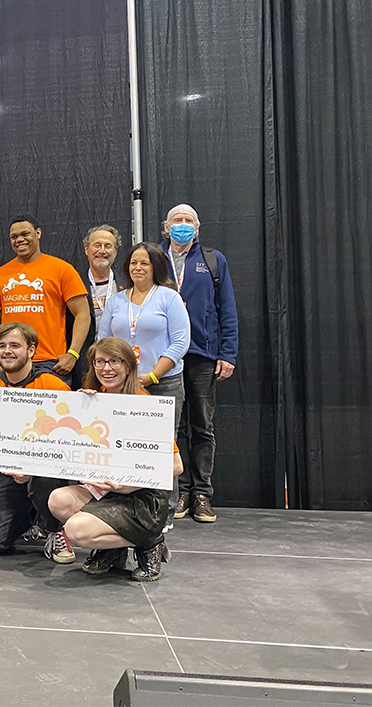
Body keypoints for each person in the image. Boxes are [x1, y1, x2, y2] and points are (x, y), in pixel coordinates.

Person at [47, 337, 182, 581]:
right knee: (58, 500)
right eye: (99, 362)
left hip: (141, 497)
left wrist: (130, 483)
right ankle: (113, 550)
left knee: (75, 530)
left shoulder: (147, 406)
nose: (106, 368)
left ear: (129, 365)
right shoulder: (93, 400)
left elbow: (176, 465)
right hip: (106, 491)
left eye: (114, 361)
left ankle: (151, 541)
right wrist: (80, 408)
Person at [0, 322, 75, 562]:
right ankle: (28, 517)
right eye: (2, 346)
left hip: (47, 471)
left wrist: (34, 469)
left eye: (15, 345)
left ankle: (56, 530)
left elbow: (69, 439)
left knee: (43, 480)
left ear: (31, 351)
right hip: (8, 472)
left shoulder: (53, 385)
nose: (7, 351)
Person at [99, 242, 190, 531]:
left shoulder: (168, 298)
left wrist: (151, 377)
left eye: (145, 263)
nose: (138, 268)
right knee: (125, 444)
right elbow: (103, 343)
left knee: (162, 447)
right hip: (122, 388)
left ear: (156, 267)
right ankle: (127, 504)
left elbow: (180, 343)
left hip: (162, 383)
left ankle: (163, 510)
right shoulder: (116, 301)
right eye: (133, 263)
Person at [160, 204, 239, 524]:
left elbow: (227, 310)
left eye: (188, 221)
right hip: (165, 359)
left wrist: (228, 354)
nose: (182, 225)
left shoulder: (212, 261)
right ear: (165, 228)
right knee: (172, 427)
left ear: (198, 226)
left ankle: (202, 493)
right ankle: (179, 491)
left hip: (203, 355)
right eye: (176, 221)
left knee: (202, 426)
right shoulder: (154, 259)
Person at [0, 215, 90, 384]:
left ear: (38, 233)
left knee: (49, 412)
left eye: (25, 234)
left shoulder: (62, 269)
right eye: (14, 237)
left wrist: (73, 354)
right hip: (11, 363)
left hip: (51, 363)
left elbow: (82, 313)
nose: (19, 240)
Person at [68, 225, 123, 388]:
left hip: (119, 359)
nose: (102, 250)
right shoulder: (72, 282)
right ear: (86, 249)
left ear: (115, 251)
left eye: (108, 246)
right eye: (97, 245)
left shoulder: (128, 284)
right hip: (83, 359)